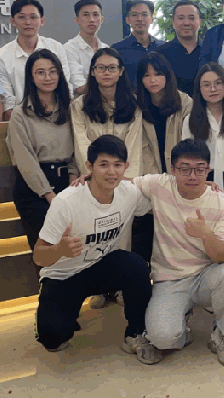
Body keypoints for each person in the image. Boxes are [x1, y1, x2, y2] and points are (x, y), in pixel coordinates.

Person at [32, 134, 162, 365]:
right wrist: (60, 249)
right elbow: (38, 256)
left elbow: (164, 197)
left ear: (126, 167)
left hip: (101, 267)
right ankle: (55, 313)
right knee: (53, 340)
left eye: (117, 165)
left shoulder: (129, 193)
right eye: (103, 165)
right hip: (64, 275)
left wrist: (203, 188)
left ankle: (136, 332)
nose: (111, 172)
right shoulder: (66, 202)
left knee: (135, 266)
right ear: (89, 167)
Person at [135, 139, 224, 366]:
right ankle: (181, 326)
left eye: (199, 169)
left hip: (207, 275)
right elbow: (124, 183)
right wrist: (89, 178)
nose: (192, 176)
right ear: (173, 169)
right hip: (170, 279)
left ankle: (222, 335)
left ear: (208, 169)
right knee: (163, 339)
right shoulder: (160, 185)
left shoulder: (222, 203)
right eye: (184, 169)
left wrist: (205, 234)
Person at [70, 47, 143, 309]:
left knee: (121, 234)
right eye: (100, 68)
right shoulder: (79, 105)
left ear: (121, 71)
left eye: (112, 67)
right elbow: (81, 142)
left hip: (123, 179)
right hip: (93, 179)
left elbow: (133, 145)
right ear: (92, 72)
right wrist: (94, 173)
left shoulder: (133, 104)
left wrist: (122, 176)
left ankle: (121, 285)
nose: (106, 72)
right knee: (93, 235)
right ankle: (98, 287)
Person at [6, 49, 78, 251]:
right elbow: (25, 160)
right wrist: (50, 196)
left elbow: (78, 149)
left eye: (53, 71)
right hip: (34, 190)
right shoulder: (20, 114)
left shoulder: (71, 109)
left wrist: (72, 186)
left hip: (68, 183)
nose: (48, 77)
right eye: (40, 72)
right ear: (31, 77)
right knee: (48, 252)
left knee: (75, 249)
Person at [132, 52, 193, 263]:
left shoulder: (184, 102)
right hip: (149, 179)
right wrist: (156, 183)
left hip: (179, 176)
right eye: (146, 75)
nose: (152, 80)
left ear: (167, 75)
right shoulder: (135, 104)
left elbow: (188, 144)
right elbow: (138, 148)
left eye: (158, 74)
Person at [0, 0, 85, 121]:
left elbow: (64, 86)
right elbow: (8, 103)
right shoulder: (1, 57)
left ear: (42, 21)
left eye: (33, 17)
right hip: (21, 120)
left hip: (58, 117)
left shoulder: (56, 48)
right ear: (13, 21)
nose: (28, 22)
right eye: (21, 17)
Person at [182, 63, 224, 204]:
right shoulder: (190, 120)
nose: (212, 89)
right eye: (206, 85)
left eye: (218, 83)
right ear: (199, 89)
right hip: (203, 185)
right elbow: (188, 160)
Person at [112, 0, 165, 87]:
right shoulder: (117, 50)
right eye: (134, 15)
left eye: (144, 15)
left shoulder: (163, 47)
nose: (139, 19)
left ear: (152, 19)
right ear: (127, 20)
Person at [155, 0, 202, 95]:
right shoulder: (160, 54)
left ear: (200, 22)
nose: (186, 23)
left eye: (191, 18)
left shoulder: (211, 50)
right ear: (173, 22)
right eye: (181, 18)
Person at [64, 0, 109, 95]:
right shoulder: (69, 49)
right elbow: (79, 87)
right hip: (82, 103)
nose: (91, 19)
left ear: (101, 19)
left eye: (95, 15)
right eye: (86, 15)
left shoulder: (106, 49)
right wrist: (107, 85)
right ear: (77, 20)